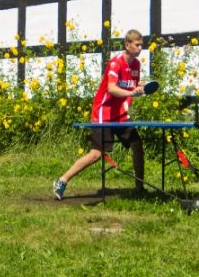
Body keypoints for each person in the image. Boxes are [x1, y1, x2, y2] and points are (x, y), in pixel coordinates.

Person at [53, 29, 146, 199]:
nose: (140, 48)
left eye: (141, 45)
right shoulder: (116, 63)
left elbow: (133, 84)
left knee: (137, 145)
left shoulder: (137, 65)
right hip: (104, 112)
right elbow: (111, 88)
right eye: (137, 45)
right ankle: (62, 180)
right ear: (127, 45)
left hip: (121, 114)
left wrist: (140, 87)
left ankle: (140, 188)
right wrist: (131, 93)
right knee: (96, 154)